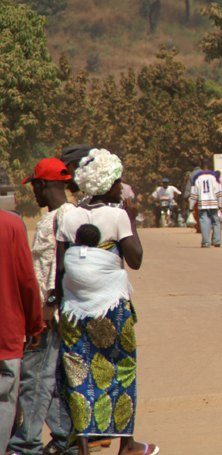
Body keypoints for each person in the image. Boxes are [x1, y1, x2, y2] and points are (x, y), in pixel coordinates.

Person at [54, 148, 158, 455]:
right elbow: (135, 260)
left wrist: (59, 306)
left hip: (74, 310)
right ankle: (126, 444)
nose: (121, 187)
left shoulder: (69, 216)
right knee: (121, 368)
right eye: (118, 181)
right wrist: (132, 219)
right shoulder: (117, 215)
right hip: (112, 309)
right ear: (108, 183)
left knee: (78, 372)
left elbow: (60, 270)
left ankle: (84, 445)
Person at [9, 159, 76, 455]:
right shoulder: (55, 217)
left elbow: (62, 265)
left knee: (35, 376)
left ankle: (26, 443)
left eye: (35, 184)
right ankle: (65, 438)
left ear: (45, 184)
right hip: (47, 310)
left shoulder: (67, 217)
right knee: (52, 375)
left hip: (50, 312)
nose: (33, 192)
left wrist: (48, 305)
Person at [0, 210, 45, 454]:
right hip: (6, 332)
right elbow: (27, 279)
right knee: (4, 399)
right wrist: (35, 324)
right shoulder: (11, 224)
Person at [188, 159, 222, 248]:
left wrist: (191, 205)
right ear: (209, 165)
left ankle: (206, 242)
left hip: (202, 202)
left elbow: (194, 192)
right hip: (213, 202)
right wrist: (220, 203)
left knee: (204, 221)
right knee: (216, 221)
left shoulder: (197, 176)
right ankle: (217, 240)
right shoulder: (214, 176)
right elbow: (219, 191)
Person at [185, 159, 202, 233]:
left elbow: (188, 188)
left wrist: (186, 197)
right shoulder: (203, 173)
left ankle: (199, 227)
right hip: (205, 196)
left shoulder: (191, 175)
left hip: (195, 197)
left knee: (197, 213)